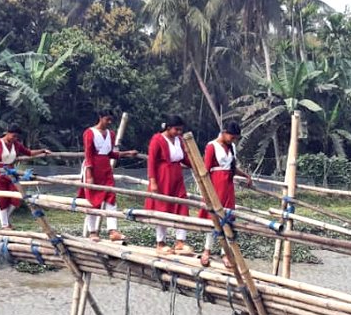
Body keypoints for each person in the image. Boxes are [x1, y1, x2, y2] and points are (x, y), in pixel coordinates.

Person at [198, 120, 252, 267]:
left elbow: (233, 168)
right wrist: (206, 190)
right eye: (232, 136)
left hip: (228, 186)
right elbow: (205, 170)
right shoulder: (212, 146)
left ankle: (225, 253)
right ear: (225, 132)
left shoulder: (232, 147)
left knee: (227, 218)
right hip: (215, 185)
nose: (233, 140)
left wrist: (246, 175)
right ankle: (207, 250)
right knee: (214, 218)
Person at [79, 112, 137, 242]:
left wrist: (126, 153)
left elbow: (110, 153)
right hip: (93, 168)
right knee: (92, 200)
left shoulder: (110, 134)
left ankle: (112, 230)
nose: (109, 122)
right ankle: (92, 231)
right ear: (100, 117)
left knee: (111, 197)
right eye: (107, 119)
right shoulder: (89, 132)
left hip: (105, 168)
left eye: (111, 120)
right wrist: (89, 174)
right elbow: (88, 154)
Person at [0, 124, 51, 229]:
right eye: (13, 136)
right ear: (7, 133)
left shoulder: (16, 144)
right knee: (1, 199)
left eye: (16, 137)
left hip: (11, 173)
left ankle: (6, 218)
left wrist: (42, 150)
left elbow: (28, 152)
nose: (14, 138)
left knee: (17, 196)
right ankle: (5, 225)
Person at [145, 115, 193, 255]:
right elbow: (152, 161)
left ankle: (180, 241)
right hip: (163, 177)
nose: (179, 132)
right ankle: (161, 243)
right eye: (176, 129)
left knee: (182, 205)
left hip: (177, 177)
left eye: (180, 130)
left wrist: (196, 165)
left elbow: (184, 157)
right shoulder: (157, 140)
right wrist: (153, 181)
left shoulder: (179, 140)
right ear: (168, 127)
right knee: (163, 208)